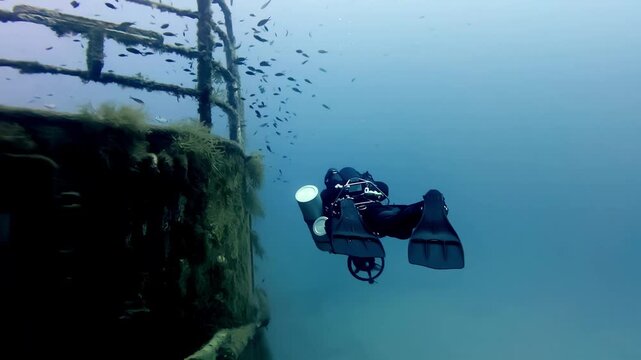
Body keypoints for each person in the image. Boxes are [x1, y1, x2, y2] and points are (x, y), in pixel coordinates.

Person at [320, 166, 464, 269]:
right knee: (398, 227)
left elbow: (325, 218)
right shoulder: (361, 188)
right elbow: (383, 190)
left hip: (360, 215)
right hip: (371, 215)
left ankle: (423, 209)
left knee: (391, 223)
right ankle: (423, 209)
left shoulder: (334, 193)